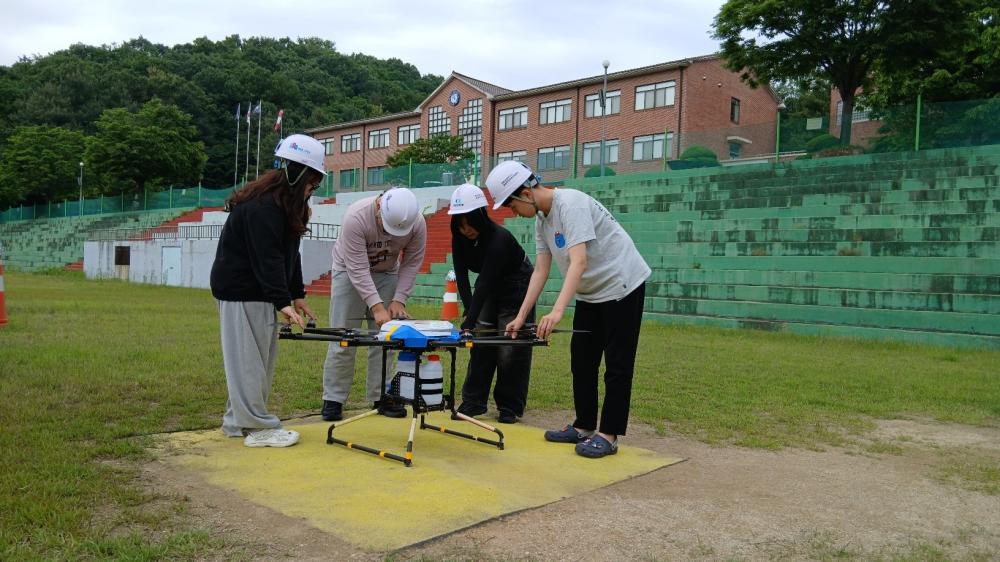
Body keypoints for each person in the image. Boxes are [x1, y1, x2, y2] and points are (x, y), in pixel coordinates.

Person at [485, 160, 650, 459]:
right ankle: (584, 425)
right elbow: (540, 271)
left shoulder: (570, 204)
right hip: (591, 293)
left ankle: (609, 434)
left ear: (525, 193)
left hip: (623, 285)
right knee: (582, 360)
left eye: (510, 205)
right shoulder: (541, 221)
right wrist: (520, 316)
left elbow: (579, 261)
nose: (512, 213)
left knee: (617, 365)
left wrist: (558, 310)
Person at [210, 133, 324, 448]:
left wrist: (296, 294)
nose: (312, 191)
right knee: (248, 361)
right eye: (312, 183)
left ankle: (237, 421)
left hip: (258, 291)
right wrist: (281, 301)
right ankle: (257, 427)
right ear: (298, 174)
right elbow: (268, 258)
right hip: (241, 290)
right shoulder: (262, 208)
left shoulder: (286, 206)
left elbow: (290, 253)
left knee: (258, 361)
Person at [321, 186, 427, 421]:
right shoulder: (356, 216)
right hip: (348, 273)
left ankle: (381, 396)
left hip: (387, 274)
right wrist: (377, 307)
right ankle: (334, 398)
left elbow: (412, 262)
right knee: (343, 337)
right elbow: (357, 268)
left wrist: (399, 299)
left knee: (385, 341)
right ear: (379, 206)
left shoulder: (417, 223)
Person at [448, 183, 535, 424]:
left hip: (517, 283)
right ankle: (474, 402)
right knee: (481, 340)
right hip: (488, 285)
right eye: (460, 225)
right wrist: (469, 320)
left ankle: (509, 406)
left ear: (481, 216)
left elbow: (484, 283)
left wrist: (470, 320)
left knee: (510, 344)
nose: (466, 230)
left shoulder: (498, 239)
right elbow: (463, 278)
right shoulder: (459, 238)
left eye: (470, 223)